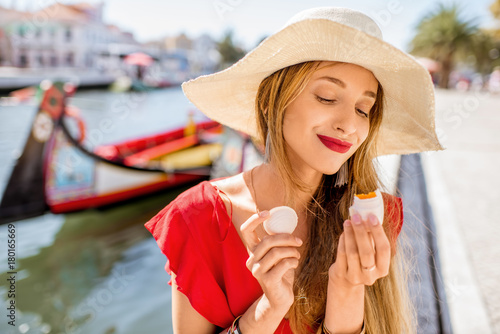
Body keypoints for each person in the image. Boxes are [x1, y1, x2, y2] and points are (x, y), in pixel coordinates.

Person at [145, 7, 442, 334]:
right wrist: (267, 310)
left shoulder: (371, 219)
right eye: (328, 97)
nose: (349, 125)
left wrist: (347, 288)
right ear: (270, 102)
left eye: (363, 109)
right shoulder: (198, 216)